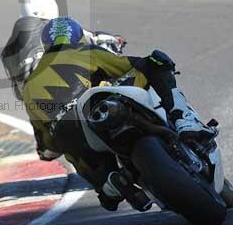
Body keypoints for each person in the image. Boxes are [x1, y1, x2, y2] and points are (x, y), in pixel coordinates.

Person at [21, 16, 216, 212]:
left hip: (68, 133)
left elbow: (46, 147)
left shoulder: (28, 86)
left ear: (45, 44)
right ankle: (183, 119)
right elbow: (132, 65)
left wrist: (55, 143)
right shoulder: (84, 52)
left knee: (75, 152)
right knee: (155, 62)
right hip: (97, 108)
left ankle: (110, 185)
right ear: (79, 37)